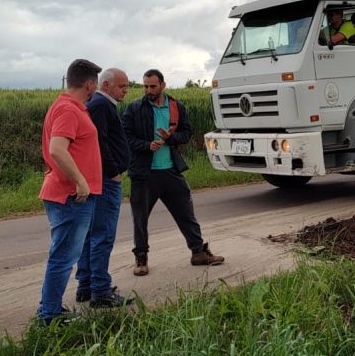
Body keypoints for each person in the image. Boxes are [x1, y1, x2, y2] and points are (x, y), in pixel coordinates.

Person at [122, 69, 223, 275]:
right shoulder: (134, 108)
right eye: (145, 86)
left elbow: (186, 133)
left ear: (163, 85)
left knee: (186, 213)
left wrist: (170, 138)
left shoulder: (177, 107)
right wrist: (146, 145)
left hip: (170, 170)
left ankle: (198, 252)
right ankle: (141, 259)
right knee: (140, 219)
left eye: (152, 86)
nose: (148, 90)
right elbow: (125, 136)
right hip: (144, 173)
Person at [36, 59, 103, 324]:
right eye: (96, 84)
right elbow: (57, 149)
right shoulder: (68, 110)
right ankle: (50, 315)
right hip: (71, 196)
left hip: (69, 194)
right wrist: (80, 181)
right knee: (63, 257)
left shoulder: (67, 106)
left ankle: (50, 308)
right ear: (90, 84)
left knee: (62, 255)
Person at [74, 67, 131, 308]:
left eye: (127, 87)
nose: (126, 91)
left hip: (102, 178)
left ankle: (86, 285)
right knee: (102, 234)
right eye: (122, 86)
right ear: (105, 85)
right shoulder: (100, 105)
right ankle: (100, 289)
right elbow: (100, 142)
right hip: (106, 180)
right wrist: (113, 171)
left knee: (92, 233)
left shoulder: (102, 104)